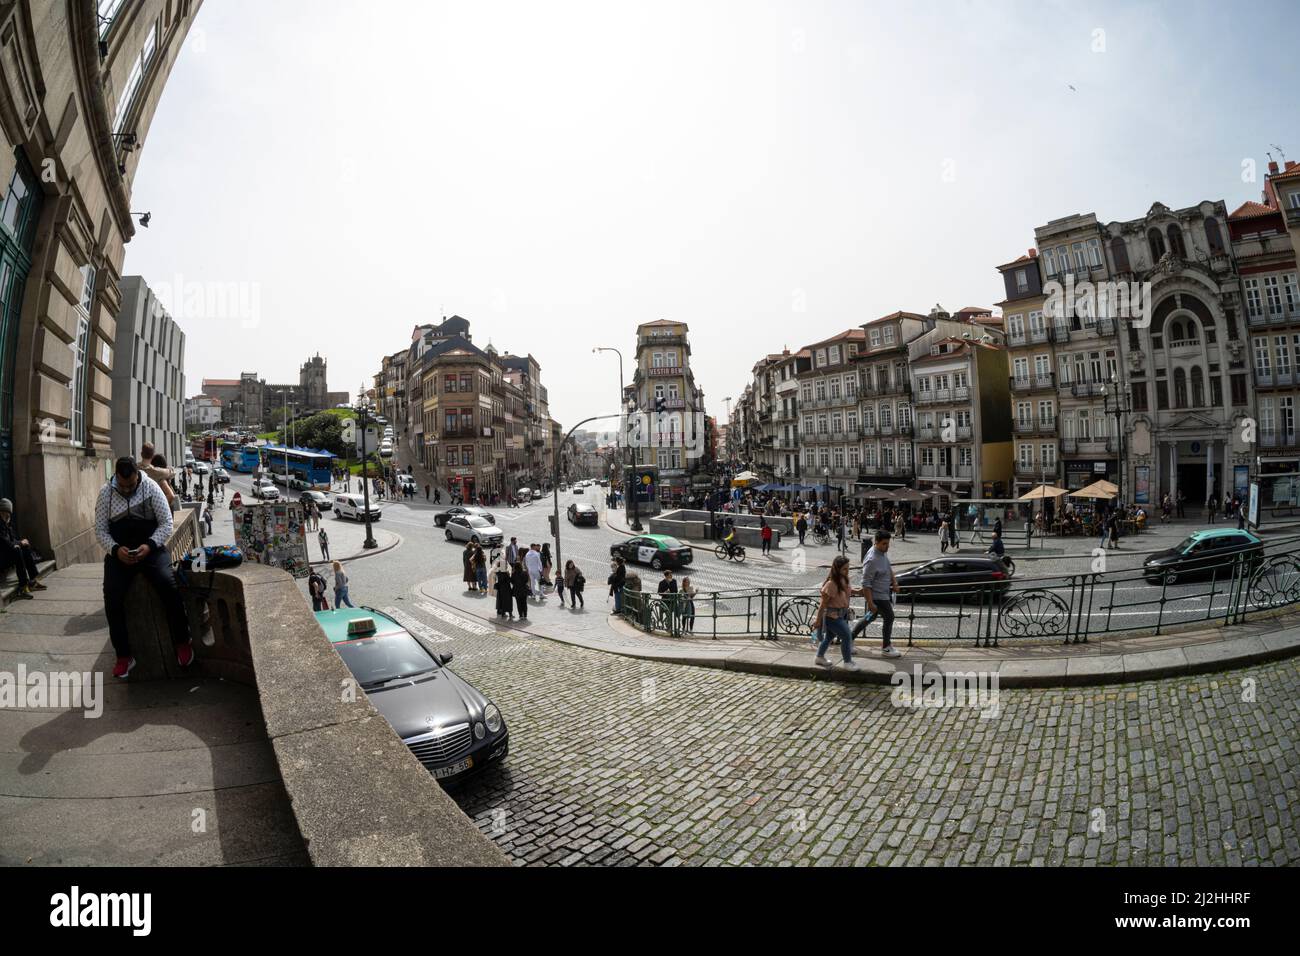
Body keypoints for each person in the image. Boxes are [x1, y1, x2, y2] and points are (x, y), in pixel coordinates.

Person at [96, 456, 194, 679]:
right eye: (123, 486)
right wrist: (115, 550)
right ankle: (123, 655)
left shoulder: (150, 487)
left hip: (150, 548)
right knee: (112, 597)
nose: (127, 490)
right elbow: (100, 530)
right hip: (120, 553)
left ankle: (183, 640)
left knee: (168, 585)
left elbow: (166, 522)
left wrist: (149, 545)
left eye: (131, 485)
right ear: (116, 478)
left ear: (137, 477)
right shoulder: (106, 493)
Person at [858, 530, 901, 659]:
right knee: (889, 617)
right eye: (884, 544)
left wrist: (894, 582)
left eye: (888, 543)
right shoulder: (872, 560)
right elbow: (866, 583)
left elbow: (888, 567)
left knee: (869, 618)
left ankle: (849, 638)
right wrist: (870, 603)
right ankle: (886, 647)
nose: (887, 546)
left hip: (883, 593)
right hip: (878, 596)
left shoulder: (881, 553)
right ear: (876, 542)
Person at [812, 555, 856, 670]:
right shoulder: (831, 584)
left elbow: (846, 591)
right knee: (846, 636)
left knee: (829, 638)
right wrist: (818, 621)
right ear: (837, 569)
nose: (847, 571)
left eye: (848, 568)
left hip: (840, 615)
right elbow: (823, 604)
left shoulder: (844, 579)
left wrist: (858, 591)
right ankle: (847, 662)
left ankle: (819, 657)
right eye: (844, 569)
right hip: (832, 616)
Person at [0, 498, 46, 599]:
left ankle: (32, 581)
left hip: (7, 554)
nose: (8, 515)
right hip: (2, 559)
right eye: (6, 513)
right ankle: (23, 586)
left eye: (9, 513)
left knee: (24, 547)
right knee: (17, 550)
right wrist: (19, 543)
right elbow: (5, 543)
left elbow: (12, 540)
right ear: (2, 512)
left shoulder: (7, 524)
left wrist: (21, 543)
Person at [494, 555, 514, 619]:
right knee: (508, 601)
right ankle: (510, 614)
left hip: (500, 589)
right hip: (506, 589)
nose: (507, 566)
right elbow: (509, 581)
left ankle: (503, 613)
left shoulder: (498, 572)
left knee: (501, 601)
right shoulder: (505, 573)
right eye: (506, 565)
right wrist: (509, 575)